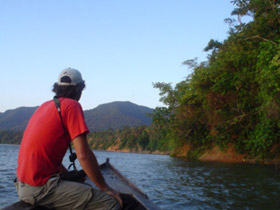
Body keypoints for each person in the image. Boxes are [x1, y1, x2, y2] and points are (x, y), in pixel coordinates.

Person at [15, 68, 122, 210]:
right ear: (79, 90)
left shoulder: (45, 107)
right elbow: (84, 155)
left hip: (22, 187)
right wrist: (105, 187)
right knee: (110, 203)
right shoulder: (72, 106)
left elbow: (46, 157)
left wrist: (69, 176)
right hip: (39, 188)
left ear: (57, 88)